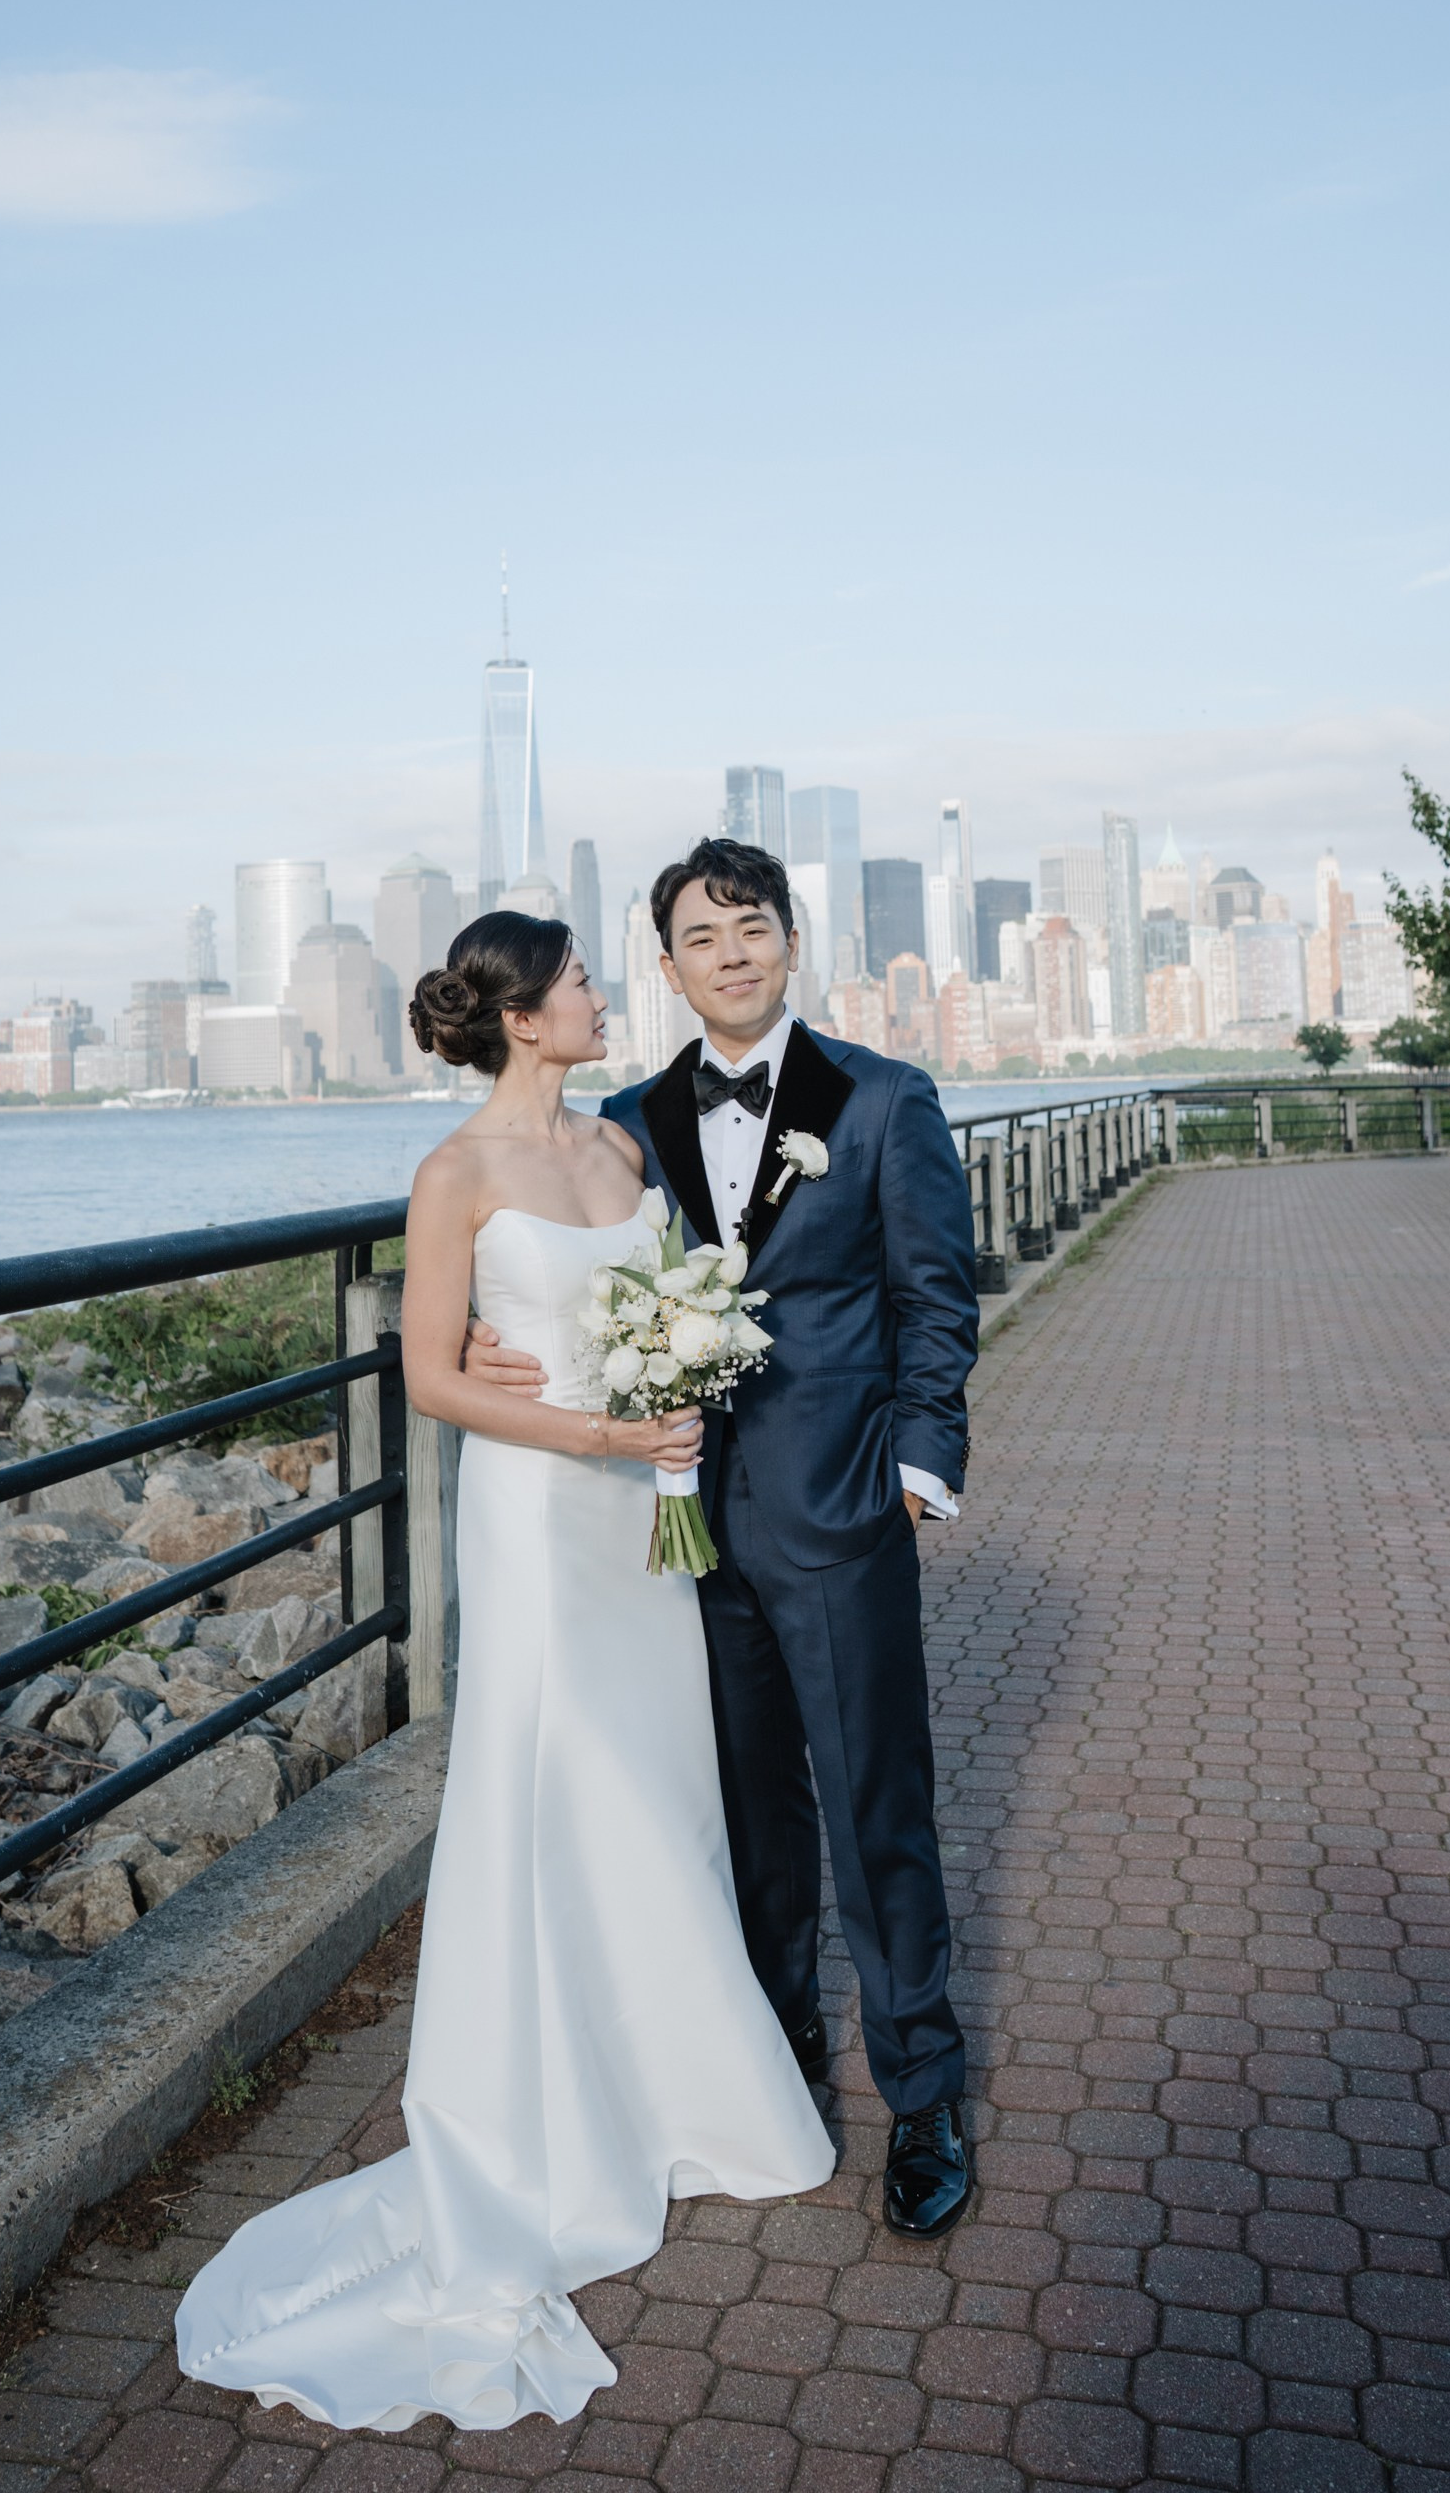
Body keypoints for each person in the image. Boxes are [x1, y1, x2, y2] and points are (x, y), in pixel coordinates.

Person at [174, 909, 832, 2436]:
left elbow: (668, 1307)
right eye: (588, 982)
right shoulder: (454, 1174)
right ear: (524, 1017)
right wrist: (607, 1429)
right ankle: (548, 2118)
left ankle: (677, 2088)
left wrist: (684, 1378)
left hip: (641, 1518)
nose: (612, 993)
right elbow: (427, 1375)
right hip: (545, 1521)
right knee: (557, 1784)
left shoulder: (616, 1149)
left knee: (655, 1792)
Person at [466, 838, 981, 2237]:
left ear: (789, 940)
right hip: (682, 1522)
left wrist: (922, 1469)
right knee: (752, 1816)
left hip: (843, 1506)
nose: (731, 954)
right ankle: (775, 2060)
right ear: (672, 966)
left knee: (878, 1809)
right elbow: (549, 1244)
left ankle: (923, 2088)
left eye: (750, 927)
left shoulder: (884, 1100)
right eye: (701, 937)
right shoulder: (630, 1117)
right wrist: (478, 1331)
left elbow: (937, 1296)